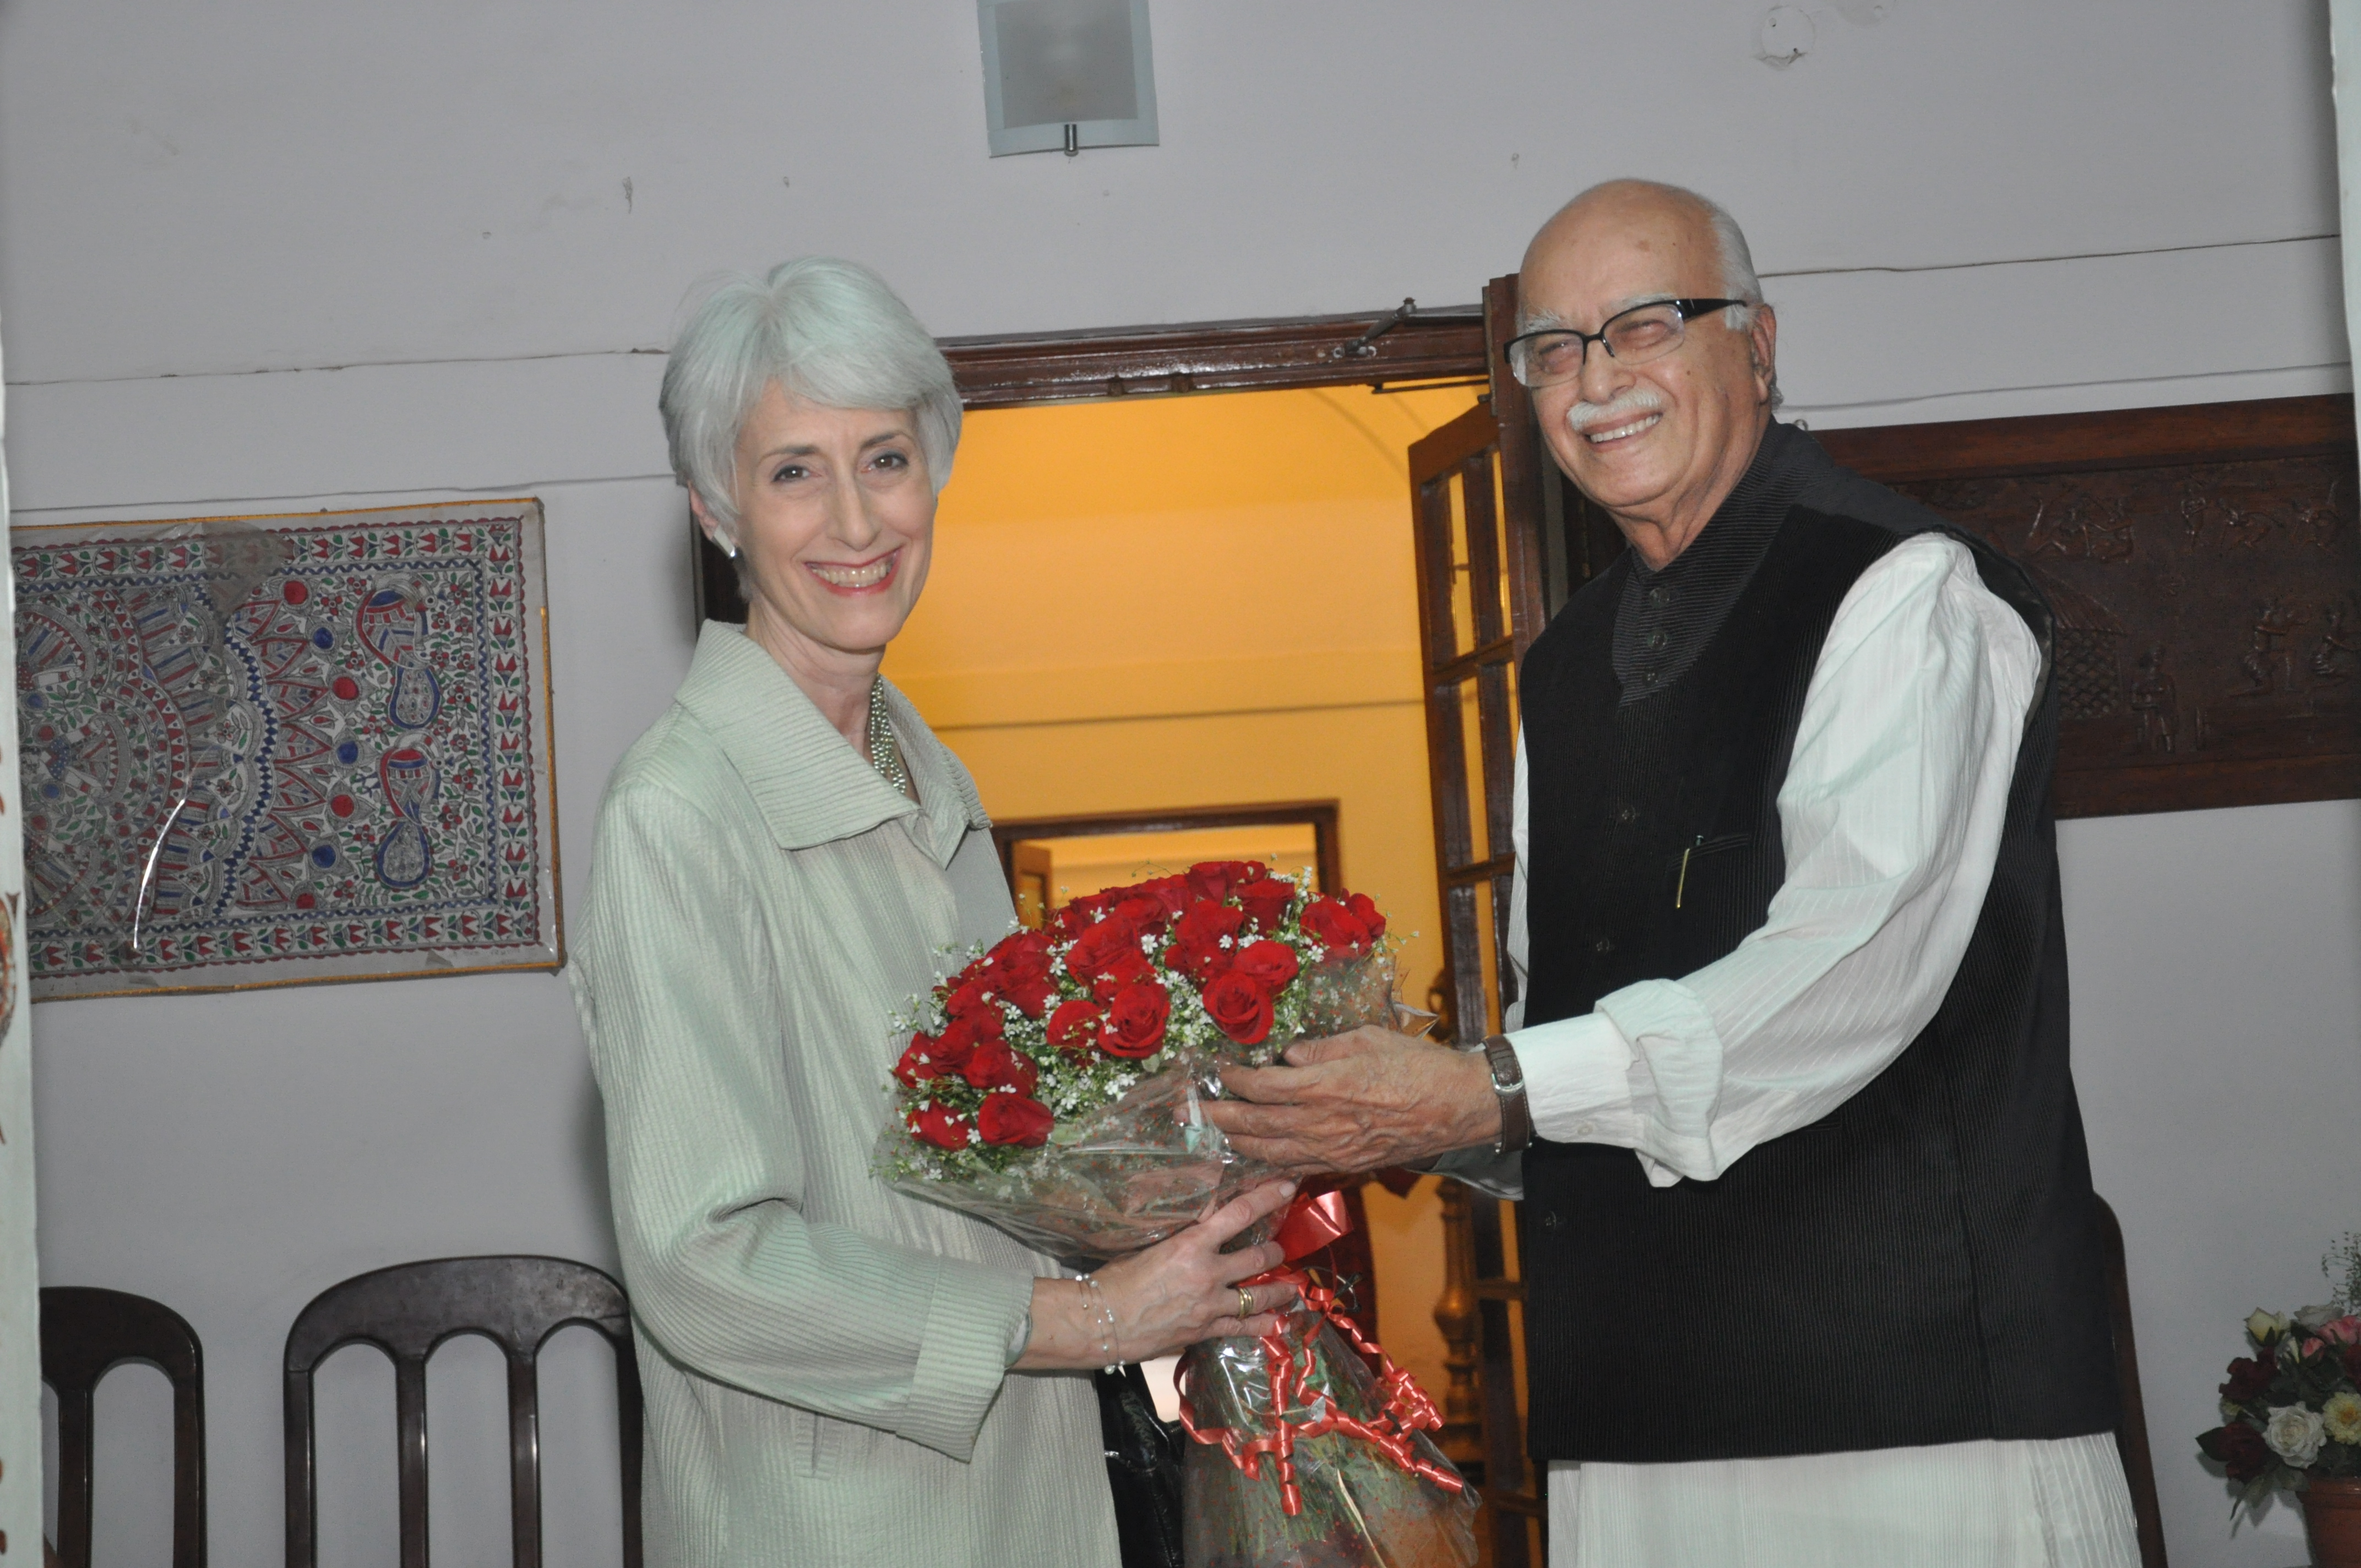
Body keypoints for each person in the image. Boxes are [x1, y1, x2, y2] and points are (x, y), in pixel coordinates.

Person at [1206, 181, 2141, 1567]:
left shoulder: (1901, 589)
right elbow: (1566, 1041)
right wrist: (1359, 1107)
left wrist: (1488, 1085)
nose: (1594, 383)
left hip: (1915, 1415)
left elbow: (1845, 970)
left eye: (1642, 326)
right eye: (1553, 349)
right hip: (1629, 1419)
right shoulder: (1560, 668)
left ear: (1757, 343)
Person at [570, 257, 1300, 1568]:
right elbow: (704, 1259)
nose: (855, 518)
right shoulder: (677, 813)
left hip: (1024, 1487)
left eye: (886, 458)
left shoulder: (931, 783)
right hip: (836, 1519)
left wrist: (1171, 1182)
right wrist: (1083, 1314)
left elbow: (972, 1161)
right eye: (794, 469)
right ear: (714, 508)